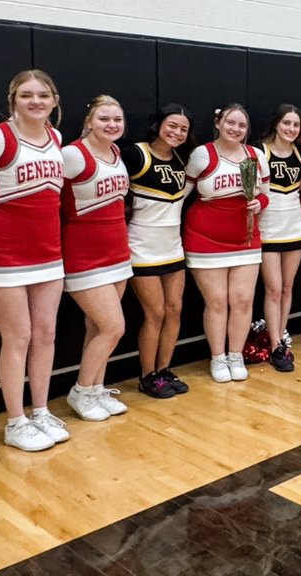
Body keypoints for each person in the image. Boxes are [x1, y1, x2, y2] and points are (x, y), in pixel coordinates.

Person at [0, 69, 68, 452]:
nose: (36, 101)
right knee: (18, 337)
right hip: (2, 254)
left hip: (48, 251)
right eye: (26, 95)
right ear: (13, 100)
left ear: (55, 100)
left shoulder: (56, 137)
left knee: (45, 335)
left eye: (43, 95)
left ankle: (40, 410)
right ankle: (15, 421)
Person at [183, 104, 270, 383]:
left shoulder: (256, 156)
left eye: (242, 126)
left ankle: (236, 354)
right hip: (205, 240)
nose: (236, 129)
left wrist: (260, 203)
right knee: (217, 302)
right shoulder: (201, 155)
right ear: (218, 123)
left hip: (245, 239)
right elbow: (181, 194)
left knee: (243, 301)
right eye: (230, 123)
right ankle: (218, 357)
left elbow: (266, 194)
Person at [61, 96, 133, 421]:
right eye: (104, 118)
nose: (112, 125)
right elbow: (45, 196)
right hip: (83, 255)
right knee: (113, 327)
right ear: (90, 120)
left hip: (117, 253)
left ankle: (96, 388)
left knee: (97, 327)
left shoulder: (116, 152)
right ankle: (80, 391)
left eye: (117, 119)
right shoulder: (73, 155)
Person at [125, 104, 194, 399]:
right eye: (172, 125)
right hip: (141, 245)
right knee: (153, 313)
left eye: (183, 129)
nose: (177, 132)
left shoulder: (183, 159)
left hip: (172, 247)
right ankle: (147, 375)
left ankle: (164, 370)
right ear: (159, 124)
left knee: (174, 310)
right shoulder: (136, 154)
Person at [258, 104, 301, 371]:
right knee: (273, 289)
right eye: (286, 123)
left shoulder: (300, 153)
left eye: (295, 125)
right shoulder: (260, 152)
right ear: (276, 124)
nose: (291, 129)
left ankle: (281, 335)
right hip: (268, 229)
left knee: (287, 288)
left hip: (294, 227)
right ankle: (275, 342)